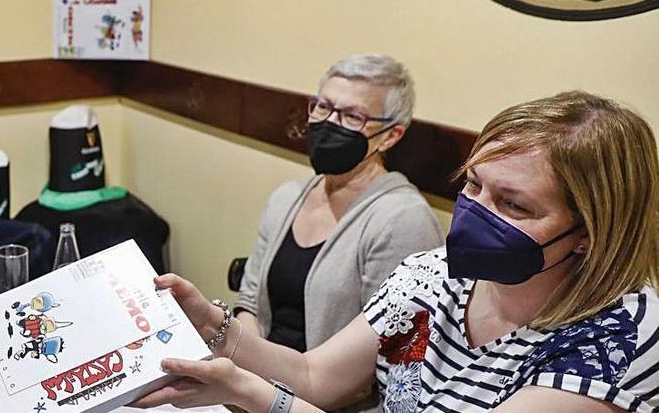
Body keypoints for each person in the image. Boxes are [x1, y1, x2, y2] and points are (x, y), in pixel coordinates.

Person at [138, 91, 659, 412]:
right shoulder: (433, 277)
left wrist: (250, 393)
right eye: (473, 186)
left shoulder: (620, 341)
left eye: (513, 205)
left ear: (592, 230)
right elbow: (316, 377)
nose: (475, 212)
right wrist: (215, 328)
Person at [235, 56, 439, 371]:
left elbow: (389, 351)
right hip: (256, 378)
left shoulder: (403, 220)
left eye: (352, 116)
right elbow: (249, 301)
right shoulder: (287, 197)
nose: (330, 123)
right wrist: (251, 367)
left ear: (390, 136)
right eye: (323, 107)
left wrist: (271, 382)